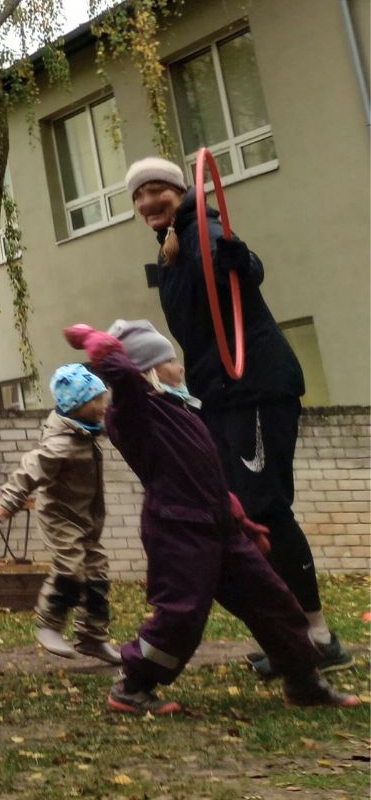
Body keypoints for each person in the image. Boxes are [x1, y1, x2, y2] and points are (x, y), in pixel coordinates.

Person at [63, 320, 359, 714]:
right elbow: (123, 377)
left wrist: (238, 516)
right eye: (169, 360)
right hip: (179, 529)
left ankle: (304, 681)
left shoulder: (181, 410)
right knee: (181, 614)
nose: (179, 367)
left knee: (273, 599)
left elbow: (207, 474)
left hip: (219, 526)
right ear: (148, 370)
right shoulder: (134, 412)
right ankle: (132, 686)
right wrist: (98, 344)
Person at [124, 156, 349, 675]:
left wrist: (241, 261)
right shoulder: (172, 246)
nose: (146, 203)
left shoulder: (205, 229)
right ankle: (293, 638)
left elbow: (246, 269)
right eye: (138, 196)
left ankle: (317, 638)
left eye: (156, 190)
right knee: (244, 515)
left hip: (252, 387)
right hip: (222, 393)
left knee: (264, 510)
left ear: (181, 190)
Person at [0, 363, 119, 665]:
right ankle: (49, 624)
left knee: (98, 573)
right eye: (97, 400)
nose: (104, 405)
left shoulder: (87, 432)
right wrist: (8, 501)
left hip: (86, 520)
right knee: (71, 566)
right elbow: (29, 469)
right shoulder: (61, 443)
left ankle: (92, 637)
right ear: (77, 405)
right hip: (59, 518)